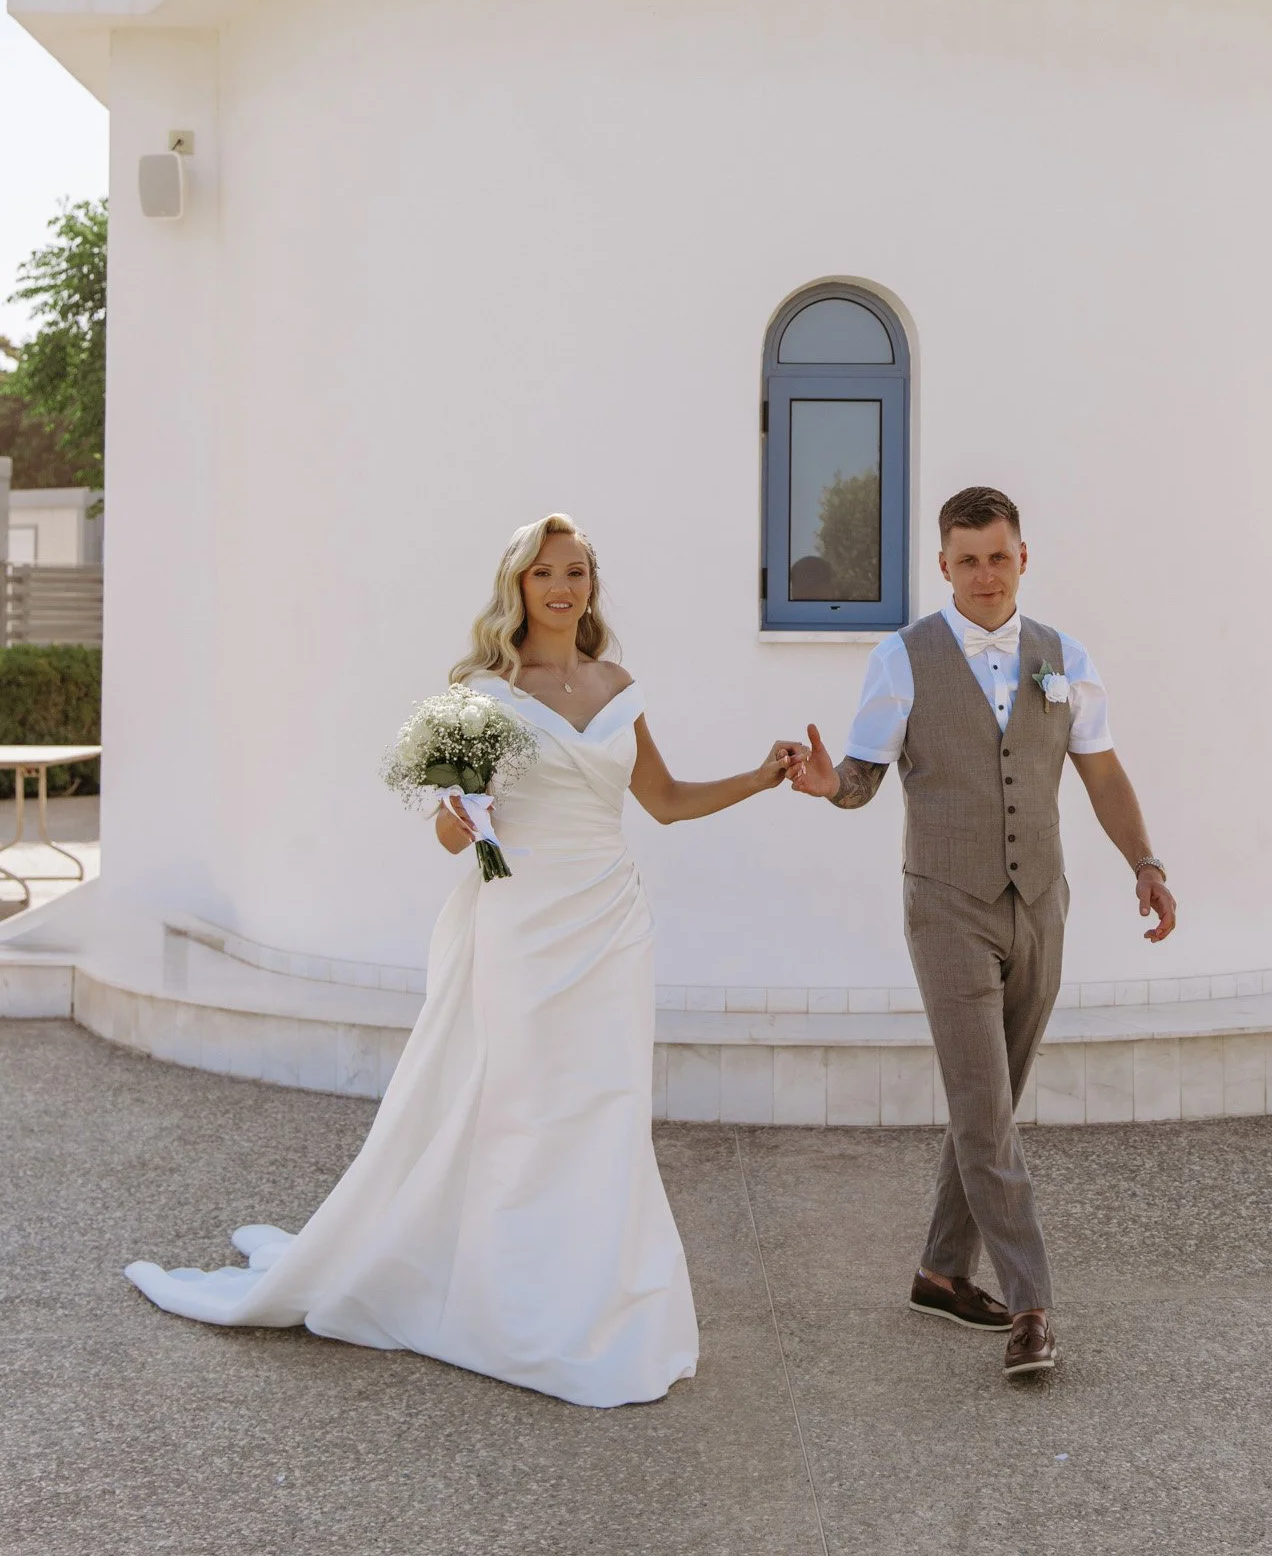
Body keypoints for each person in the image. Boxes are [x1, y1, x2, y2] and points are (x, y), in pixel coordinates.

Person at [125, 512, 805, 1407]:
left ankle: (599, 1307)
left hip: (610, 923)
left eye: (576, 572)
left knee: (605, 1108)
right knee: (524, 1110)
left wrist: (759, 776)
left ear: (591, 585)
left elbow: (666, 803)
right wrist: (458, 813)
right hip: (521, 924)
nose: (562, 587)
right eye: (543, 574)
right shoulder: (482, 693)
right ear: (517, 586)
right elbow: (454, 838)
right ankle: (507, 1306)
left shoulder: (617, 683)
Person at [791, 486, 1175, 1379]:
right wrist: (825, 787)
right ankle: (1031, 1306)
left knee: (990, 1106)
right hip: (945, 905)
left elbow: (1103, 774)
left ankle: (938, 1271)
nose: (984, 574)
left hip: (1040, 900)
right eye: (967, 560)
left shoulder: (1063, 657)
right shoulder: (901, 658)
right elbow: (859, 778)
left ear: (1022, 558)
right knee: (983, 1111)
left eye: (998, 556)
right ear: (943, 567)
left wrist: (1145, 865)